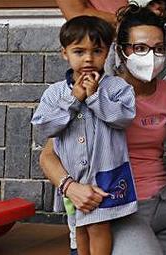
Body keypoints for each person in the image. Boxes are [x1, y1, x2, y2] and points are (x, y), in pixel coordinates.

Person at [38, 6, 166, 254]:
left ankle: (143, 241)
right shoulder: (96, 90)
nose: (151, 56)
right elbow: (48, 154)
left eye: (158, 48)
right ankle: (140, 241)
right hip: (118, 201)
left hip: (163, 198)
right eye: (139, 48)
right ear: (120, 51)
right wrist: (71, 187)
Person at [32, 16, 137, 255]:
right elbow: (45, 126)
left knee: (99, 225)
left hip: (105, 174)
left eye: (97, 50)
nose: (88, 58)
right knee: (79, 225)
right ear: (65, 53)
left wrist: (94, 97)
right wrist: (74, 99)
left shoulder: (118, 88)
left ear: (107, 52)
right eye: (79, 51)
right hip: (72, 178)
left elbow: (123, 118)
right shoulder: (54, 93)